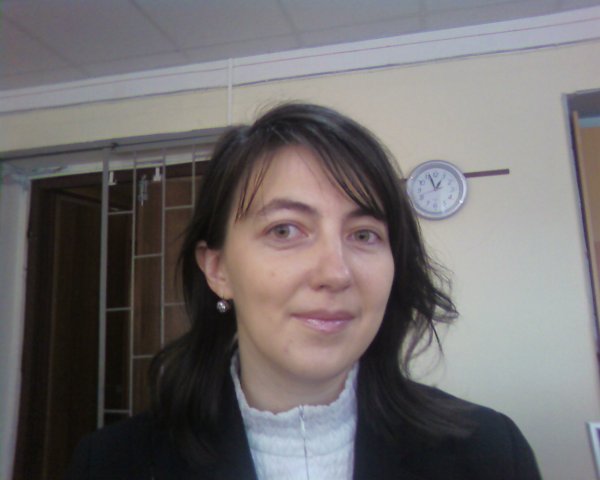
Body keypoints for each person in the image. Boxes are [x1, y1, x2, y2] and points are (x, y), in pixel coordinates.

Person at [65, 103, 541, 479]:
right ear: (218, 269)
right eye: (285, 230)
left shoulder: (491, 452)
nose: (335, 272)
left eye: (364, 235)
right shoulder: (111, 464)